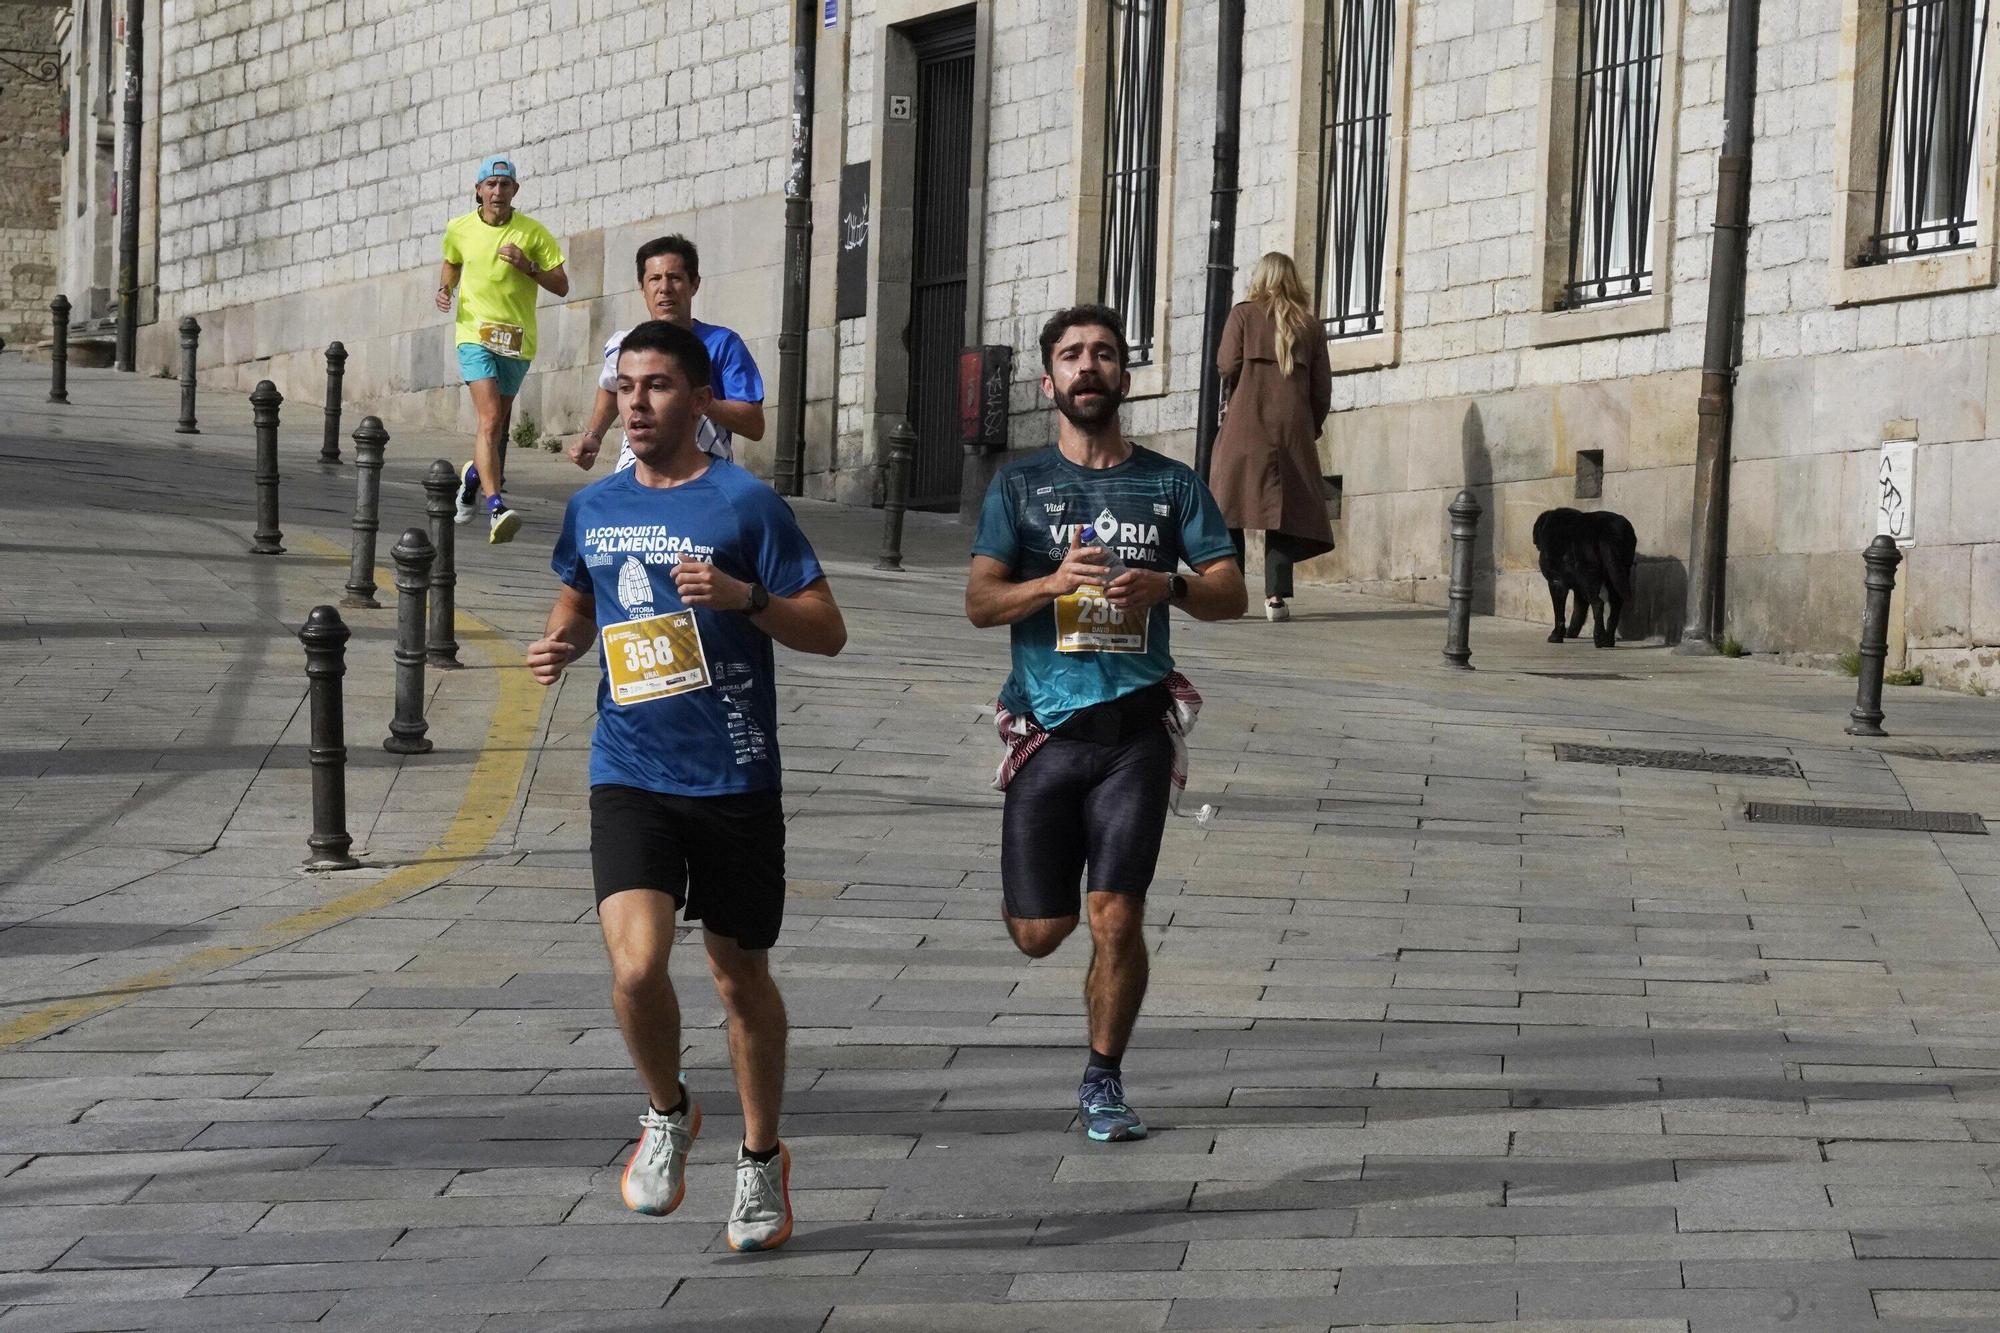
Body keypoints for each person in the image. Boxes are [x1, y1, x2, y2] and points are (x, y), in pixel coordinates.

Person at [528, 319, 845, 1250]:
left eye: (658, 385)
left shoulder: (747, 506)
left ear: (700, 398)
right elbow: (580, 596)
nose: (635, 402)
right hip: (630, 767)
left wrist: (748, 598)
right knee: (635, 967)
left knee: (739, 977)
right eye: (626, 385)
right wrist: (561, 642)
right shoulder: (595, 506)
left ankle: (761, 1158)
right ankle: (667, 1109)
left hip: (735, 773)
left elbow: (828, 629)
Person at [965, 305, 1246, 1142]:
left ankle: (1104, 1078)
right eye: (1071, 355)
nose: (1087, 366)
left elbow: (1231, 592)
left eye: (1103, 354)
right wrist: (1052, 583)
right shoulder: (1018, 486)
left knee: (1116, 914)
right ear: (1048, 380)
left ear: (1124, 375)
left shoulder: (1170, 485)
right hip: (1048, 733)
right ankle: (1037, 901)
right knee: (1040, 932)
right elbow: (980, 601)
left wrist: (1170, 587)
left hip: (1135, 734)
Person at [437, 154, 570, 544]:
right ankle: (496, 506)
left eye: (505, 185)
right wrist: (445, 289)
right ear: (478, 190)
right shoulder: (459, 228)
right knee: (491, 418)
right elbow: (451, 262)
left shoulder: (533, 233)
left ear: (515, 190)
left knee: (494, 429)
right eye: (491, 185)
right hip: (474, 334)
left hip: (516, 341)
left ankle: (471, 479)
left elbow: (562, 285)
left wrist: (528, 266)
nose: (498, 191)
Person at [568, 234, 766, 471]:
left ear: (694, 284)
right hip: (635, 475)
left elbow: (754, 425)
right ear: (642, 288)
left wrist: (693, 398)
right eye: (654, 279)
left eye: (674, 278)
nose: (664, 288)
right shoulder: (624, 345)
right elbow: (611, 387)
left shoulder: (723, 345)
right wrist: (594, 436)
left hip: (702, 479)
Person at [1210, 252, 1335, 621]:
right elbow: (1322, 391)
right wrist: (1309, 426)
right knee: (1286, 511)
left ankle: (1231, 592)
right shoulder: (1310, 327)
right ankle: (1275, 598)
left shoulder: (1243, 315)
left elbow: (1226, 365)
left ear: (1260, 278)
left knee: (1229, 507)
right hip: (1291, 428)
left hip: (1245, 423)